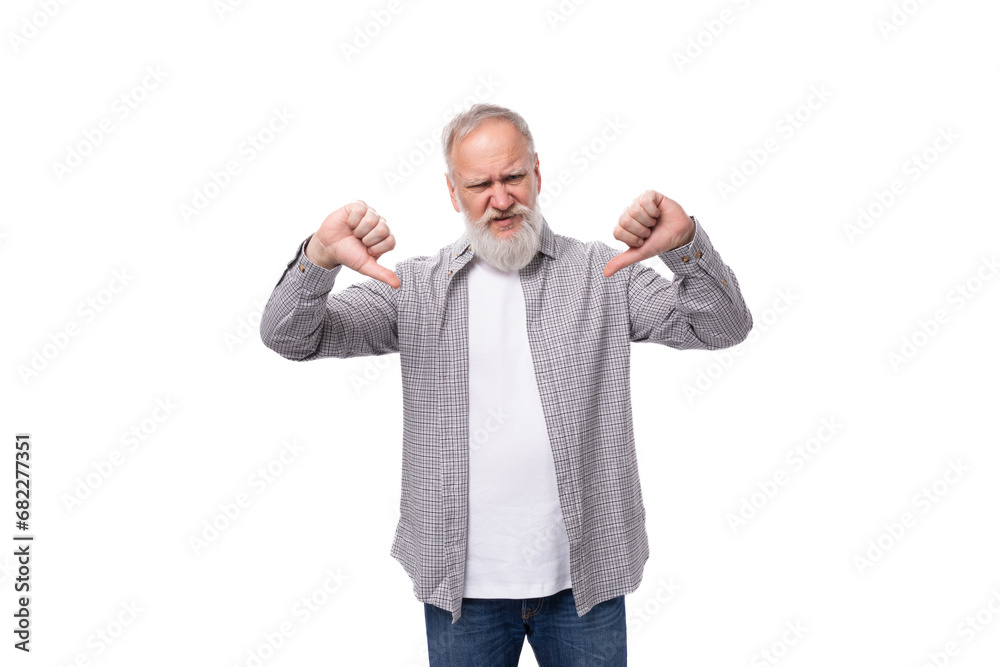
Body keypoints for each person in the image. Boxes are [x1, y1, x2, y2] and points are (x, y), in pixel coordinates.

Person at [260, 103, 752, 666]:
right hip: (461, 593)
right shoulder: (414, 287)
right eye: (480, 183)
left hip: (583, 583)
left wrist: (684, 244)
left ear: (537, 175)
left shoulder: (603, 275)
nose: (501, 198)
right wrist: (319, 258)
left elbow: (723, 327)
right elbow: (289, 337)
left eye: (513, 176)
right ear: (453, 194)